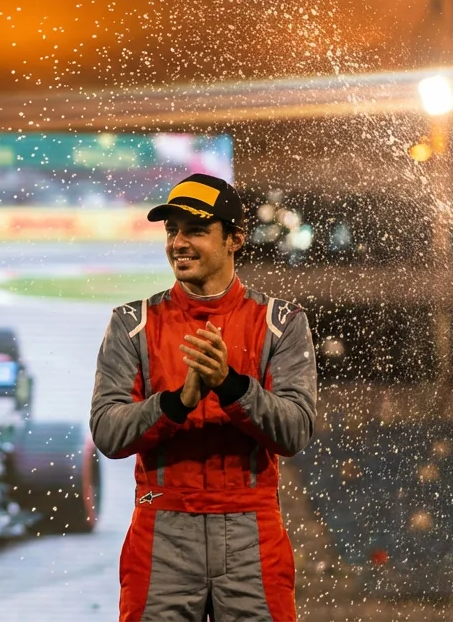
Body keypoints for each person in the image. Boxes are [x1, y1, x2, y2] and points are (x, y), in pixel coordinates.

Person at [90, 173, 317, 622]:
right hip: (160, 520)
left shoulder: (283, 321)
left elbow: (295, 432)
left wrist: (231, 386)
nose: (179, 243)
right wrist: (179, 400)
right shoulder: (130, 322)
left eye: (195, 230)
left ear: (235, 239)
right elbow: (108, 433)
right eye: (172, 230)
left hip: (252, 526)